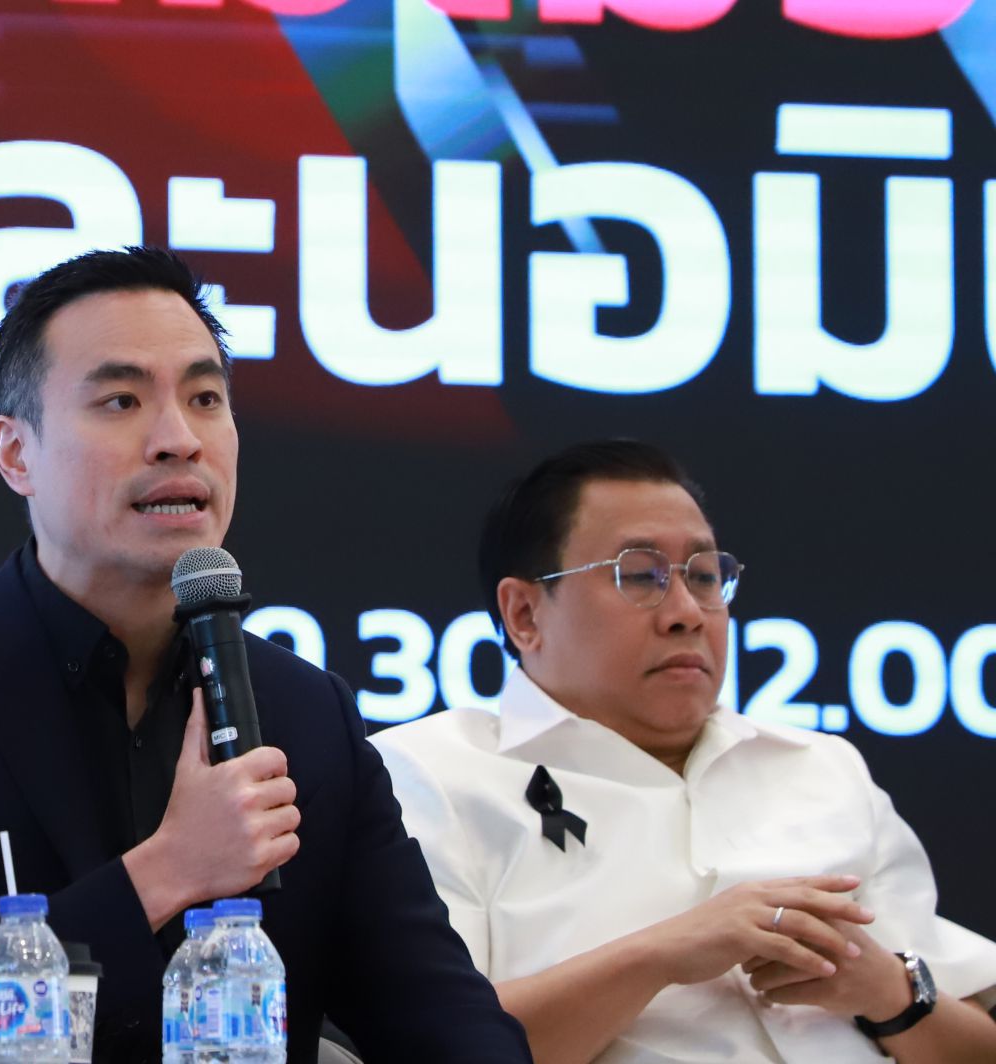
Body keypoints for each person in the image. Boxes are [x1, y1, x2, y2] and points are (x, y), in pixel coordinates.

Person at [0, 246, 530, 1063]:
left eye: (205, 398)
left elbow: (438, 1014)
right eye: (121, 400)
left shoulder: (305, 713)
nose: (179, 439)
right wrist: (166, 872)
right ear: (16, 453)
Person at [371, 439, 996, 1064]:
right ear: (525, 614)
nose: (687, 613)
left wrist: (889, 993)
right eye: (640, 575)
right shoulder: (429, 776)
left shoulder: (823, 768)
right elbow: (429, 1047)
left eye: (703, 577)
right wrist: (662, 955)